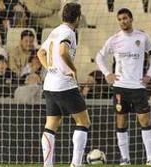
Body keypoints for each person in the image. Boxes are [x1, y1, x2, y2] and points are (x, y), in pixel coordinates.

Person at [95, 8, 151, 166]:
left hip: (138, 87)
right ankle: (125, 159)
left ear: (131, 19)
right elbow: (99, 56)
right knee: (121, 122)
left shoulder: (142, 36)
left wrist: (150, 74)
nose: (123, 21)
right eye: (120, 19)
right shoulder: (114, 39)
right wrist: (107, 74)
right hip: (120, 87)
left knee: (145, 121)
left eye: (125, 18)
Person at [37, 3, 90, 167]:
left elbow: (40, 53)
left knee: (51, 124)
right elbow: (62, 51)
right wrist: (72, 69)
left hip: (50, 84)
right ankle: (76, 164)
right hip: (64, 85)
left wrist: (50, 68)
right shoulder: (69, 32)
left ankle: (47, 165)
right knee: (83, 122)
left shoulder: (55, 31)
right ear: (78, 18)